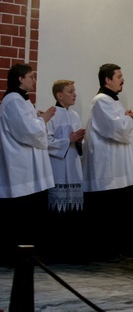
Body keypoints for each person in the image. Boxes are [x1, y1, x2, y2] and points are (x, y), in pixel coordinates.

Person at [82, 63, 133, 259]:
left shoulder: (112, 101)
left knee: (119, 211)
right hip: (109, 168)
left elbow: (120, 126)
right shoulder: (101, 101)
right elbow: (116, 129)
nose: (122, 80)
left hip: (119, 166)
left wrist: (128, 118)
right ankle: (104, 250)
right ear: (107, 79)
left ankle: (116, 249)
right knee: (107, 211)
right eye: (119, 76)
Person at [0, 64, 56, 262]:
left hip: (29, 167)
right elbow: (28, 131)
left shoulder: (22, 101)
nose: (34, 80)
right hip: (20, 168)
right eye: (31, 76)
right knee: (21, 214)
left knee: (31, 212)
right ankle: (17, 257)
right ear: (20, 79)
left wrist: (38, 119)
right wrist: (44, 120)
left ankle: (31, 254)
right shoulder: (12, 100)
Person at [46, 80, 86, 260]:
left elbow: (79, 142)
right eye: (70, 91)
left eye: (74, 91)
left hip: (73, 164)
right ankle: (56, 252)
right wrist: (68, 140)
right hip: (59, 168)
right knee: (57, 212)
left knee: (73, 211)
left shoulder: (76, 115)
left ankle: (72, 251)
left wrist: (78, 140)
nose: (75, 94)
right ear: (59, 95)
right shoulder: (51, 115)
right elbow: (46, 142)